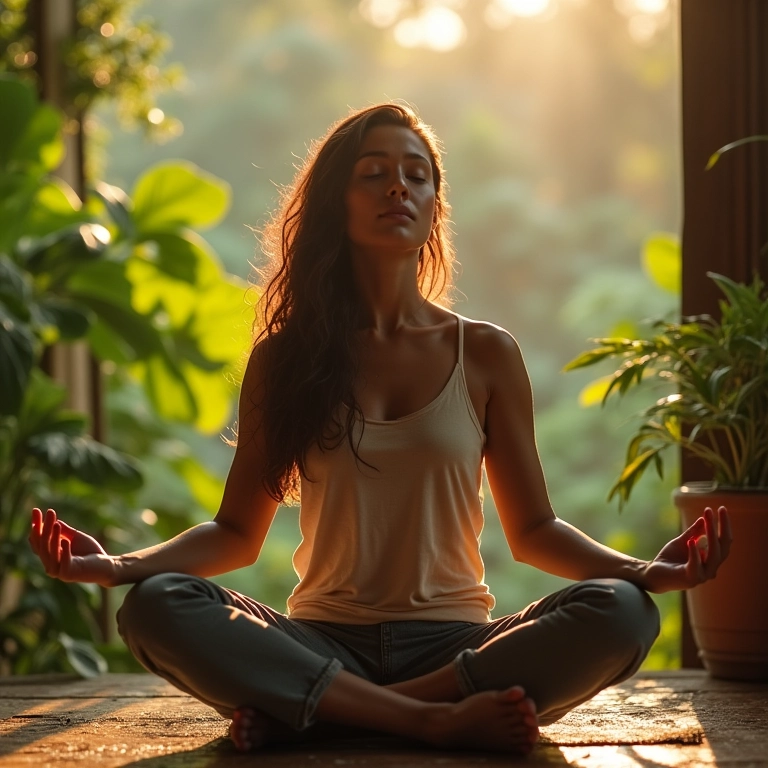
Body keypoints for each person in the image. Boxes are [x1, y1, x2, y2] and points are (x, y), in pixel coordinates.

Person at [29, 102, 732, 756]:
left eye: (416, 176)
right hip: (316, 642)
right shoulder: (286, 359)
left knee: (623, 612)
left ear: (434, 210)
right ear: (338, 203)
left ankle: (331, 712)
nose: (398, 187)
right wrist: (118, 567)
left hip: (456, 650)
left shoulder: (485, 353)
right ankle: (426, 721)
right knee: (156, 607)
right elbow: (237, 536)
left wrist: (646, 571)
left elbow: (534, 532)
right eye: (374, 174)